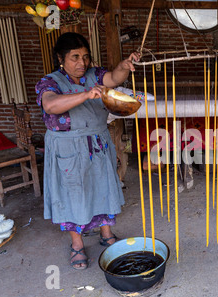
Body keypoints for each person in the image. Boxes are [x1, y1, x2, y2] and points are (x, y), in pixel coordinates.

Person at [35, 32, 140, 270]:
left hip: (97, 144)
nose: (81, 63)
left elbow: (114, 78)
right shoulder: (49, 82)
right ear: (61, 59)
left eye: (85, 56)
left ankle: (106, 233)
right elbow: (50, 104)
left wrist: (124, 66)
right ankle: (77, 245)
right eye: (74, 57)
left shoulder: (95, 75)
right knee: (73, 193)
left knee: (103, 186)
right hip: (68, 147)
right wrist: (84, 94)